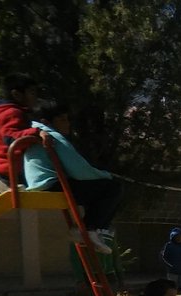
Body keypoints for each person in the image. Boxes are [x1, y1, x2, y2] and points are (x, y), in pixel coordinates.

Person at [23, 101, 121, 254]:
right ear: (46, 121)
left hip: (43, 183)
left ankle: (90, 229)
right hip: (52, 185)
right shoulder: (52, 136)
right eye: (63, 119)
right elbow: (80, 170)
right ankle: (89, 228)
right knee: (112, 188)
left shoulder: (36, 132)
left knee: (98, 191)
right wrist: (105, 175)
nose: (68, 124)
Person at [0, 73, 40, 190]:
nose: (36, 96)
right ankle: (9, 185)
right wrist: (36, 132)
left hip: (5, 168)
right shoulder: (12, 113)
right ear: (17, 94)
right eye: (32, 92)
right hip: (14, 170)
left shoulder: (0, 112)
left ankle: (6, 183)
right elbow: (11, 138)